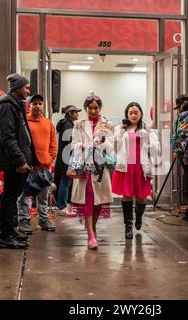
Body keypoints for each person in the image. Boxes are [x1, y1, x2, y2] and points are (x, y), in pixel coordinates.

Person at [0, 73, 37, 250]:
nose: (28, 90)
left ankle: (10, 231)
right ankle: (5, 236)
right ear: (17, 88)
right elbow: (8, 138)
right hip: (14, 163)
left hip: (18, 161)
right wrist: (20, 160)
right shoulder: (7, 107)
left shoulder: (16, 105)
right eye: (26, 87)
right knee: (9, 198)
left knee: (12, 196)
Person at [70, 95, 114, 250]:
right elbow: (73, 144)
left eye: (96, 108)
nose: (93, 110)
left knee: (98, 201)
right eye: (90, 108)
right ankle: (90, 235)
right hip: (84, 165)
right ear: (86, 108)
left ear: (100, 108)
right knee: (88, 198)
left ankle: (92, 228)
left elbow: (111, 144)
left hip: (100, 167)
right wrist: (82, 146)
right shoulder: (78, 124)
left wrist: (103, 143)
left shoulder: (107, 124)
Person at [112, 102, 160, 239]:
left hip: (141, 168)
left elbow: (156, 151)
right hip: (126, 167)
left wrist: (148, 139)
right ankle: (128, 225)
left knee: (142, 198)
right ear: (127, 114)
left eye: (136, 112)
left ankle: (138, 217)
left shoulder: (148, 129)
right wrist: (120, 132)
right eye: (130, 113)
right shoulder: (120, 129)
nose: (133, 115)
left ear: (140, 114)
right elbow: (115, 148)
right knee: (126, 196)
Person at [17, 94, 58, 234]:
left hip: (44, 166)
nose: (38, 106)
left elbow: (53, 142)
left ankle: (43, 219)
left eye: (40, 103)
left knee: (43, 196)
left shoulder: (48, 123)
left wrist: (51, 157)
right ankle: (23, 220)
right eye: (34, 103)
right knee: (24, 196)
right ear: (29, 105)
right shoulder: (23, 122)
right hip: (28, 167)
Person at [172, 95, 188, 225]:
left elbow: (182, 136)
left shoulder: (186, 115)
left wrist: (178, 149)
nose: (178, 110)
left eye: (179, 106)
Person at [54, 105, 82, 216]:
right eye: (76, 112)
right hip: (66, 159)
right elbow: (69, 145)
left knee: (66, 183)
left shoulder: (66, 124)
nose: (78, 114)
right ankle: (62, 206)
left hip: (65, 159)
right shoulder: (68, 125)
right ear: (70, 113)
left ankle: (64, 204)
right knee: (65, 183)